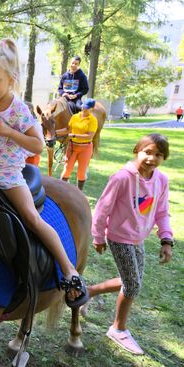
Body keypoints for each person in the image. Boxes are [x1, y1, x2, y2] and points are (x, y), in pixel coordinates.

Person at [0, 39, 88, 308]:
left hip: (8, 175)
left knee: (32, 218)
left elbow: (38, 144)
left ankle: (68, 270)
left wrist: (9, 132)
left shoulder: (19, 109)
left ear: (11, 80)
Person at [86, 134, 174, 355]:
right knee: (132, 285)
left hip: (139, 238)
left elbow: (162, 212)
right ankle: (118, 329)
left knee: (132, 280)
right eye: (148, 152)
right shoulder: (122, 178)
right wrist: (97, 236)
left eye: (158, 154)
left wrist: (166, 240)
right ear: (137, 150)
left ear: (164, 157)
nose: (152, 158)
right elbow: (102, 209)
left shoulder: (161, 180)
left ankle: (88, 291)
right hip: (118, 236)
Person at [58, 98, 98, 191]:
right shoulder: (75, 117)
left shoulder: (93, 120)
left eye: (87, 108)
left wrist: (74, 135)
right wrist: (55, 132)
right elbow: (67, 129)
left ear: (92, 109)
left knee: (81, 172)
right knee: (67, 169)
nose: (84, 109)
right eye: (83, 106)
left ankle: (79, 192)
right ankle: (61, 190)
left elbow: (89, 136)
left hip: (85, 148)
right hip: (72, 146)